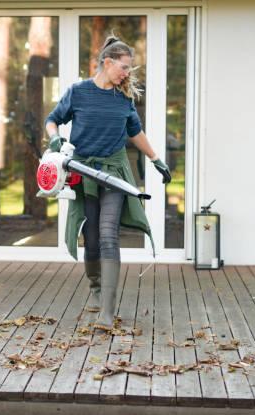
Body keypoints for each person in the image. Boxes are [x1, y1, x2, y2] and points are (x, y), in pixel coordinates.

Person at [44, 35, 171, 330]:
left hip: (113, 172)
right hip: (84, 173)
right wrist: (53, 136)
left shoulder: (124, 99)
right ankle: (96, 288)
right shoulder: (78, 92)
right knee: (91, 237)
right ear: (108, 62)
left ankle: (107, 313)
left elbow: (135, 133)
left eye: (129, 69)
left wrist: (156, 159)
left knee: (108, 234)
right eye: (124, 67)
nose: (127, 74)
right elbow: (53, 119)